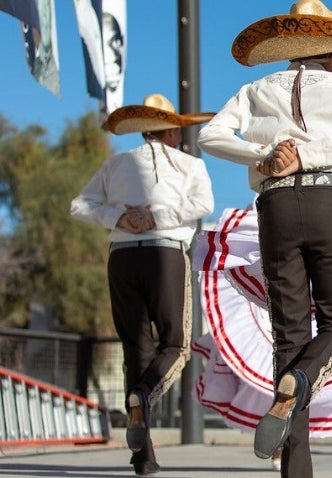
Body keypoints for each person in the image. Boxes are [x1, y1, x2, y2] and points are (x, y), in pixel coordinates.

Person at [196, 2, 332, 476]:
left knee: (289, 336)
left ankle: (296, 466)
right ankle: (299, 381)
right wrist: (314, 156)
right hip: (327, 200)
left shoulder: (255, 88)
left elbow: (211, 134)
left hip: (274, 204)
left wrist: (267, 154)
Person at [69, 93, 215, 476]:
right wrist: (157, 216)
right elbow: (203, 204)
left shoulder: (116, 163)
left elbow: (79, 205)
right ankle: (144, 395)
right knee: (176, 345)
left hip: (121, 256)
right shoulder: (189, 164)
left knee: (137, 348)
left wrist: (120, 216)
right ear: (170, 130)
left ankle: (143, 457)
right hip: (164, 253)